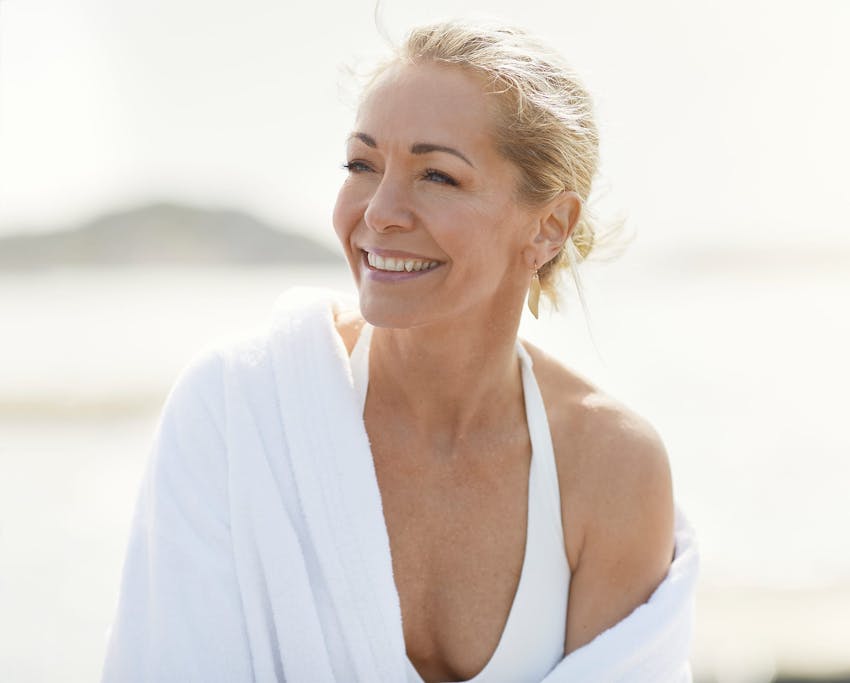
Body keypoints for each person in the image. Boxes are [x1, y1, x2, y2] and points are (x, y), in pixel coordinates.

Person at [102, 20, 698, 683]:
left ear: (549, 226)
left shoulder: (611, 470)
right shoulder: (237, 410)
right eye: (362, 164)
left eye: (437, 175)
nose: (380, 211)